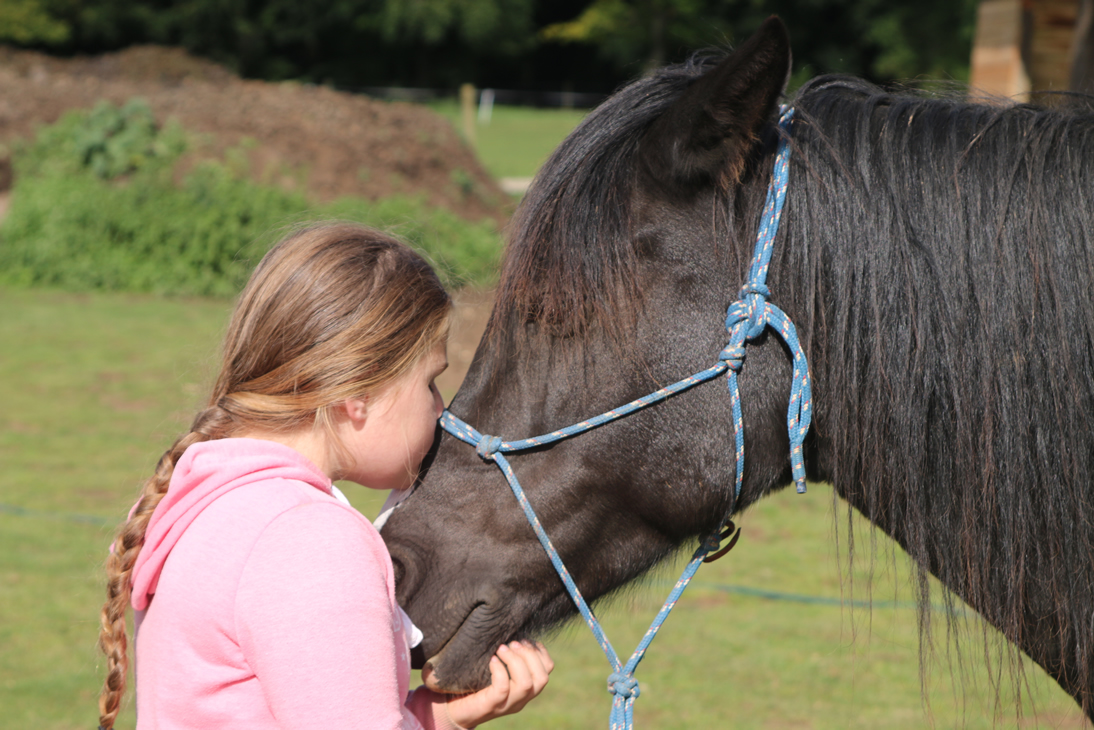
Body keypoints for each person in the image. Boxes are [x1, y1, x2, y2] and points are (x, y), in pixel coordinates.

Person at [96, 223, 553, 729]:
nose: (440, 411)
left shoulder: (202, 501)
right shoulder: (307, 540)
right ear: (357, 391)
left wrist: (437, 717)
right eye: (430, 382)